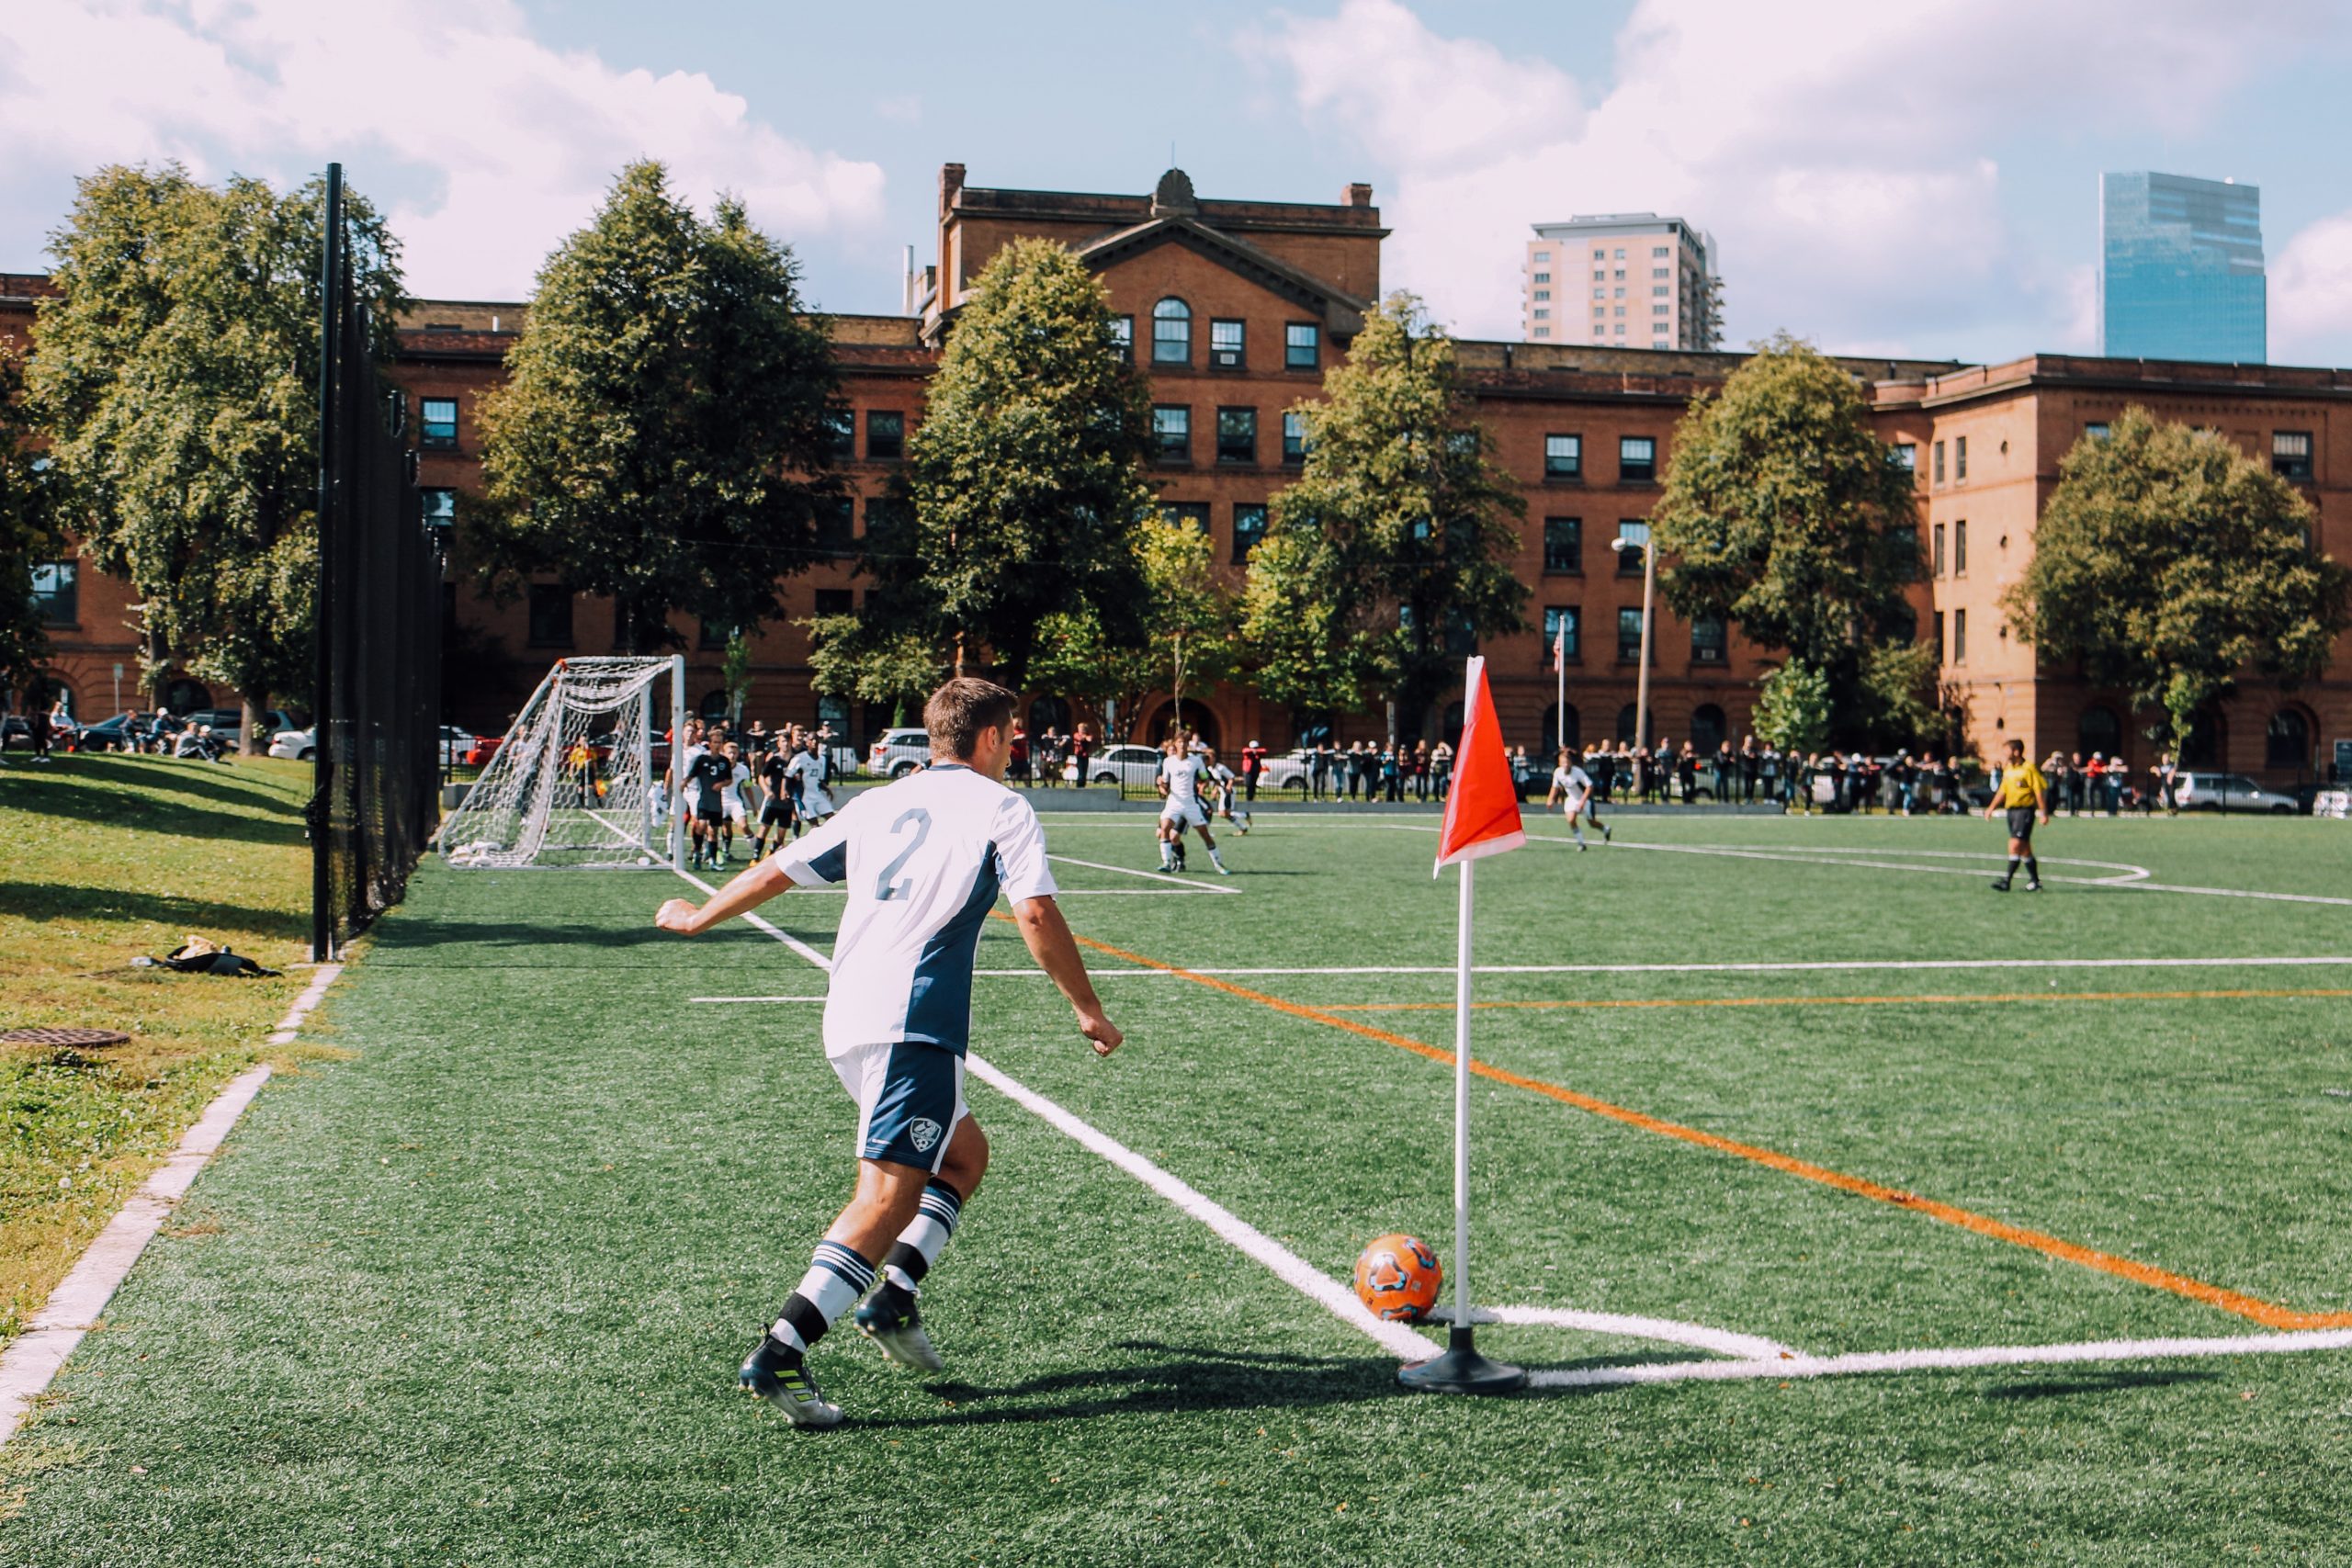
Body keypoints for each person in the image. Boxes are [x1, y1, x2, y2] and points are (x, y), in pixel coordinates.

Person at [654, 679, 1121, 1428]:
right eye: (1014, 735)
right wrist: (1087, 1007)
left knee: (963, 1156)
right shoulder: (1002, 807)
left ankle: (894, 1298)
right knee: (884, 1197)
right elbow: (1033, 909)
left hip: (849, 1014)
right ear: (994, 738)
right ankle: (781, 1350)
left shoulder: (877, 802)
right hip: (913, 1021)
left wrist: (701, 914)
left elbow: (778, 869)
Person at [1154, 734, 1229, 874]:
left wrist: (1204, 784)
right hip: (1174, 803)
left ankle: (1218, 864)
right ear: (1175, 744)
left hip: (1190, 804)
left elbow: (1205, 777)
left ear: (1188, 745)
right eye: (1180, 742)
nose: (1182, 745)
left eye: (1185, 742)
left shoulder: (1196, 761)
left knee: (1205, 834)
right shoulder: (1168, 762)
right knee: (1164, 828)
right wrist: (1162, 786)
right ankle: (1167, 862)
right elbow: (1165, 784)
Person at [1986, 739, 2052, 893]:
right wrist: (1991, 808)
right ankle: (2035, 882)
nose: (2004, 753)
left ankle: (2006, 881)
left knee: (2015, 845)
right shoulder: (2008, 769)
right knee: (2025, 849)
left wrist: (2043, 812)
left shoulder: (2029, 769)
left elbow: (2038, 791)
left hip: (2024, 811)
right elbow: (2002, 791)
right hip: (2011, 812)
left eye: (2007, 750)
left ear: (2016, 751)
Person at [1546, 746, 1611, 851]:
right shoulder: (1558, 772)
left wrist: (1582, 802)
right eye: (1563, 763)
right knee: (1571, 820)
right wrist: (1550, 799)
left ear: (1571, 763)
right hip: (1571, 799)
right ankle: (1581, 844)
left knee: (1592, 823)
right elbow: (1555, 787)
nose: (1566, 765)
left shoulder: (1578, 772)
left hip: (1585, 799)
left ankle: (1605, 829)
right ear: (1559, 764)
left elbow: (1590, 786)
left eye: (1567, 762)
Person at [753, 740, 797, 861]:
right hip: (773, 800)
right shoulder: (774, 760)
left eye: (788, 741)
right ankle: (755, 857)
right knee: (764, 829)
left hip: (787, 803)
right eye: (783, 741)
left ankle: (770, 853)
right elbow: (762, 776)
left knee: (781, 835)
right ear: (779, 744)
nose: (786, 744)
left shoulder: (796, 760)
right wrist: (766, 790)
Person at [789, 736, 837, 829]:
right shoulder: (800, 758)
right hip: (804, 798)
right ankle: (796, 837)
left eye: (816, 740)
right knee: (815, 826)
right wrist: (787, 791)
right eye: (811, 740)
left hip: (817, 795)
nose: (814, 742)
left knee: (833, 820)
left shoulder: (822, 759)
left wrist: (827, 789)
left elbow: (818, 780)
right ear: (807, 742)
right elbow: (788, 776)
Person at [1201, 745, 1250, 834]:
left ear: (1214, 757)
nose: (1209, 759)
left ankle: (1244, 816)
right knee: (1223, 814)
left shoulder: (1220, 767)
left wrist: (1228, 786)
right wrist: (1215, 790)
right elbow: (1216, 781)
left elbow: (1231, 777)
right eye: (1207, 757)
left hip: (1229, 792)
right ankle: (1243, 827)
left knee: (1224, 813)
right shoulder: (1209, 768)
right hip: (1223, 792)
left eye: (1210, 756)